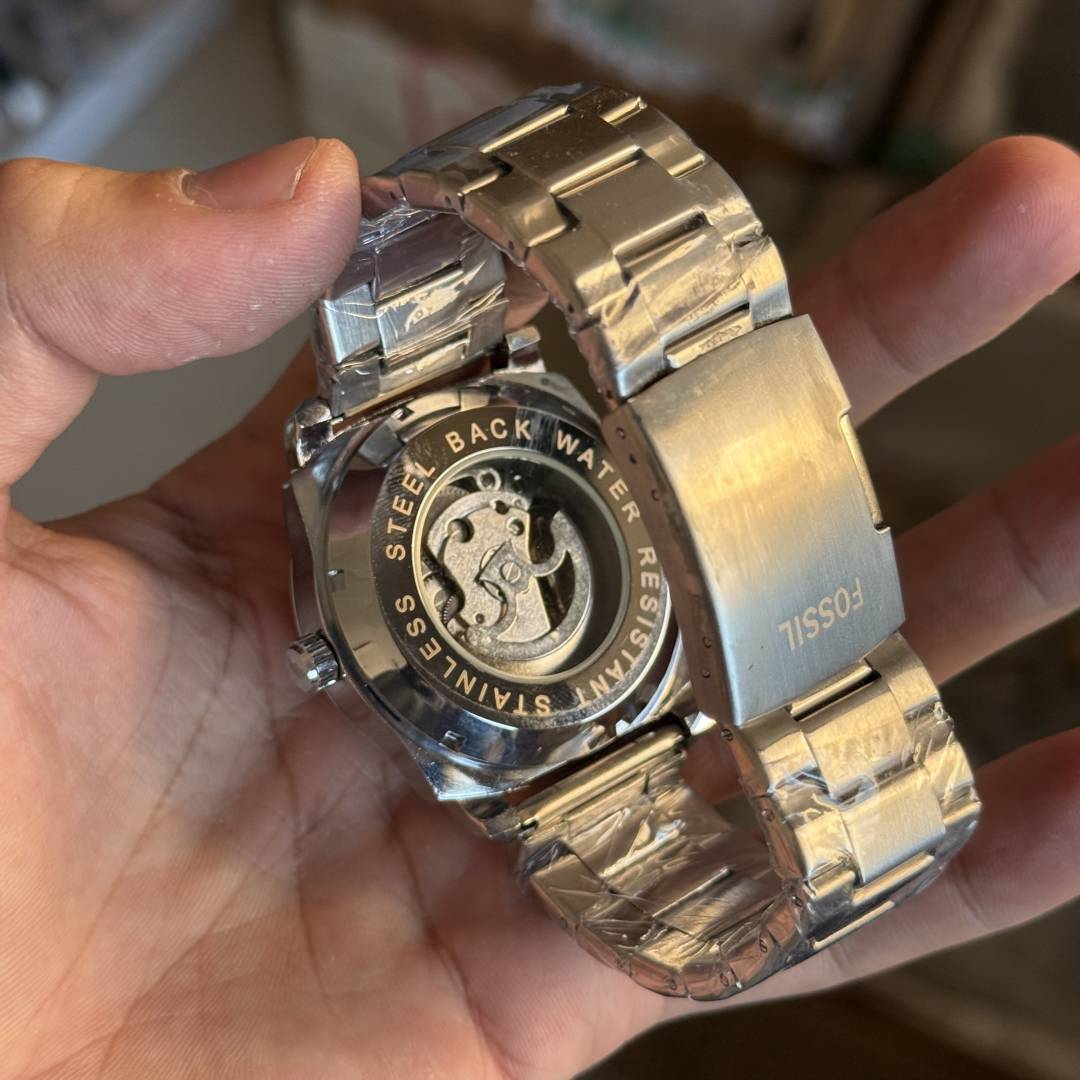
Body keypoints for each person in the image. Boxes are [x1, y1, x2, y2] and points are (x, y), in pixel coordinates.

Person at [0, 132, 1076, 1078]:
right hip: (547, 685)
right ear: (336, 652)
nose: (503, 545)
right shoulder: (430, 654)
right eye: (485, 541)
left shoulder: (507, 445)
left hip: (576, 596)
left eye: (502, 534)